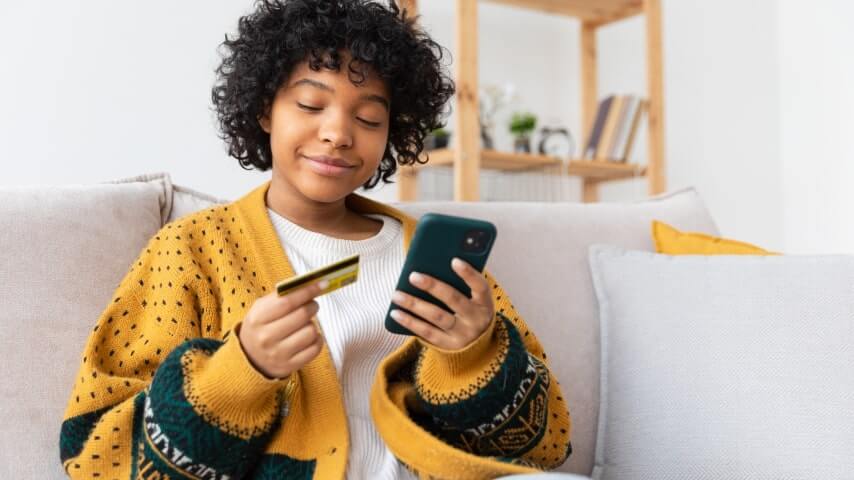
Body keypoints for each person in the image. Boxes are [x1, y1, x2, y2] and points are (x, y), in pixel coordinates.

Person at [58, 1, 572, 478]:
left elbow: (549, 445)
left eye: (369, 117)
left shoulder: (432, 255)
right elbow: (94, 455)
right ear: (265, 110)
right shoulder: (191, 248)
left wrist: (474, 355)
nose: (339, 132)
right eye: (310, 104)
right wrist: (242, 373)